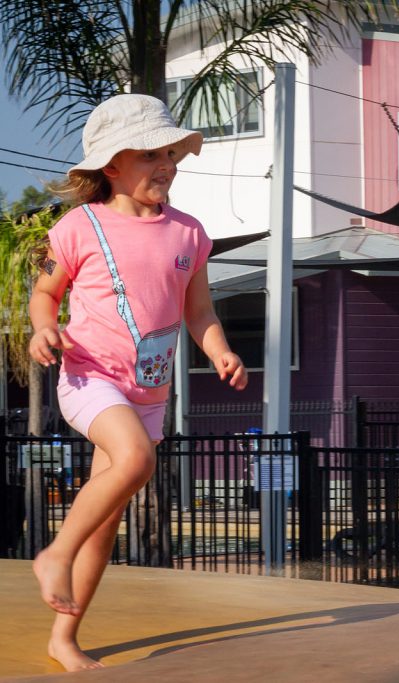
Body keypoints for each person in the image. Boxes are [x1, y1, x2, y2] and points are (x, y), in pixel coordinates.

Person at [27, 94, 248, 671]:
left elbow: (198, 311)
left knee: (107, 521)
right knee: (134, 462)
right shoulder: (80, 227)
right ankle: (55, 552)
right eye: (150, 153)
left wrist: (221, 350)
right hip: (90, 378)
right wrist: (43, 331)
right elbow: (45, 295)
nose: (166, 163)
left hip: (149, 393)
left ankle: (63, 638)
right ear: (112, 166)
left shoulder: (189, 234)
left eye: (170, 152)